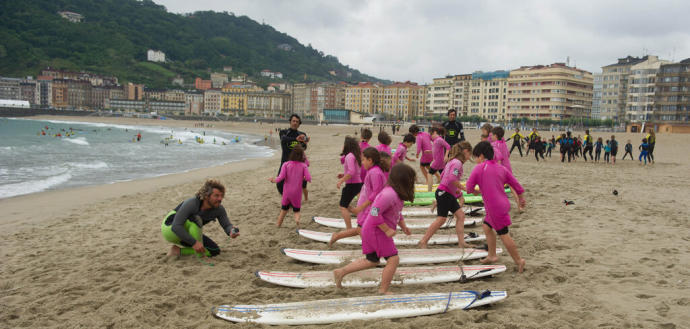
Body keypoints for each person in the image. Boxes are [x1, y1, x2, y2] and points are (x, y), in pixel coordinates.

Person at [333, 163, 415, 295]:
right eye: (411, 179)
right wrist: (387, 229)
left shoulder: (396, 195)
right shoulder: (388, 194)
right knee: (393, 259)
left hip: (373, 229)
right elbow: (374, 212)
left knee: (372, 260)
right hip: (375, 230)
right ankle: (383, 290)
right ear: (403, 179)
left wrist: (403, 226)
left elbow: (396, 212)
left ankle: (340, 272)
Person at [466, 141, 526, 273]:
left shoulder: (478, 168)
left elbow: (469, 189)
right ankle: (492, 255)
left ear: (481, 156)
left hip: (495, 208)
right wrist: (521, 198)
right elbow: (516, 184)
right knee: (486, 227)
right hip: (501, 204)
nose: (475, 160)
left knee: (504, 235)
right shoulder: (501, 168)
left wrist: (477, 190)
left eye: (476, 157)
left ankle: (519, 261)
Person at [161, 179, 239, 258]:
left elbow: (226, 225)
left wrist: (231, 231)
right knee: (196, 219)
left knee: (214, 250)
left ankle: (177, 251)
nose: (220, 199)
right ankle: (200, 256)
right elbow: (176, 226)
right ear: (206, 196)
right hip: (170, 227)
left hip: (189, 230)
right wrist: (194, 243)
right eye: (216, 195)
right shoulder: (192, 203)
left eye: (221, 196)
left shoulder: (219, 209)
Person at [329, 147, 389, 246]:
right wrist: (360, 208)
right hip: (369, 206)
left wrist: (360, 208)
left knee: (362, 228)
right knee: (362, 228)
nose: (362, 163)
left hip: (371, 206)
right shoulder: (373, 171)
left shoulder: (375, 172)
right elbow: (374, 193)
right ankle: (371, 251)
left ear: (370, 160)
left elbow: (376, 193)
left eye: (363, 160)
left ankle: (337, 236)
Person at [418, 142, 474, 249]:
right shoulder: (457, 163)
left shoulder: (451, 161)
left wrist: (458, 192)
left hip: (446, 193)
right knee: (441, 219)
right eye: (469, 154)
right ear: (465, 151)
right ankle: (423, 241)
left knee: (461, 216)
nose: (469, 158)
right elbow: (452, 179)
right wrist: (464, 189)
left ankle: (461, 243)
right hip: (445, 193)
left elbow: (444, 176)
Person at [270, 146, 312, 227]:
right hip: (296, 192)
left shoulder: (286, 164)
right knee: (296, 211)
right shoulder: (303, 166)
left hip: (286, 192)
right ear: (301, 155)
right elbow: (308, 178)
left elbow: (280, 177)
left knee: (283, 210)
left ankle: (278, 224)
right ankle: (297, 220)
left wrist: (273, 180)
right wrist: (302, 177)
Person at [277, 114, 309, 194]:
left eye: (297, 122)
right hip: (285, 162)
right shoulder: (283, 132)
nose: (295, 123)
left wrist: (304, 143)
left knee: (296, 185)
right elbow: (283, 139)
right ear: (290, 122)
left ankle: (290, 200)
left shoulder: (302, 134)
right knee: (279, 184)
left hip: (297, 164)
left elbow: (304, 148)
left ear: (299, 124)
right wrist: (295, 139)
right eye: (293, 121)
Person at [336, 137, 363, 230]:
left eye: (343, 144)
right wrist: (343, 174)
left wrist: (341, 180)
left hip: (352, 185)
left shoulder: (349, 156)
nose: (342, 146)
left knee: (343, 206)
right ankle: (362, 214)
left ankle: (349, 229)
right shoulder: (354, 155)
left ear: (347, 145)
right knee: (346, 205)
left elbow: (351, 172)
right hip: (357, 184)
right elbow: (354, 171)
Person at [410, 125, 433, 189]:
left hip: (426, 154)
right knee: (428, 166)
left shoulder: (418, 137)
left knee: (422, 167)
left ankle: (428, 180)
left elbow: (419, 147)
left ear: (413, 133)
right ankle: (438, 177)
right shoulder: (426, 133)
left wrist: (417, 154)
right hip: (431, 152)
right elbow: (432, 139)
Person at [429, 126, 450, 191]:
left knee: (429, 174)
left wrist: (446, 156)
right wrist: (429, 151)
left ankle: (429, 190)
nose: (431, 136)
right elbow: (437, 150)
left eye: (431, 134)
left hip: (438, 161)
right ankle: (445, 188)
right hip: (440, 162)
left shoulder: (439, 140)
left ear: (435, 132)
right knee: (443, 176)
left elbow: (448, 146)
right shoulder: (436, 140)